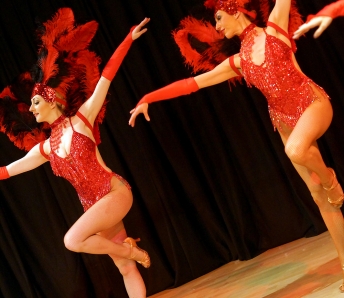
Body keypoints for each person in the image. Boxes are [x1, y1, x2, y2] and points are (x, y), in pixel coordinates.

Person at [129, 0, 344, 292]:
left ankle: (331, 178)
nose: (216, 27)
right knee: (318, 196)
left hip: (312, 104)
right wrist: (148, 98)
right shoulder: (238, 62)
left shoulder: (275, 29)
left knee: (296, 152)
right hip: (284, 123)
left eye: (218, 18)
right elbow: (194, 84)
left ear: (234, 10)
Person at [0, 8, 150, 298]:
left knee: (72, 240)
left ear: (51, 99)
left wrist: (128, 39)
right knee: (125, 268)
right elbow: (9, 169)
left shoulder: (83, 118)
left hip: (114, 193)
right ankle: (128, 253)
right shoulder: (46, 148)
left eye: (33, 103)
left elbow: (107, 77)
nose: (30, 109)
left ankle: (129, 250)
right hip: (94, 207)